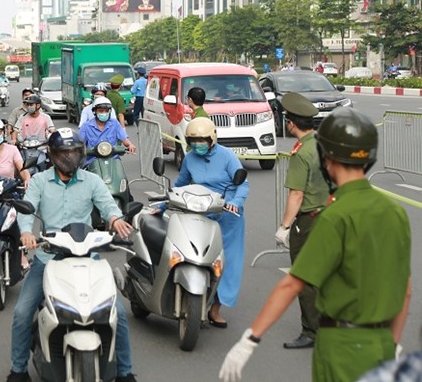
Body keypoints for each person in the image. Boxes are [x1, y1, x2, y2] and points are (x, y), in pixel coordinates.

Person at [219, 108, 412, 382]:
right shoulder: (395, 212)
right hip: (381, 344)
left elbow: (292, 283)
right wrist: (391, 344)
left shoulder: (334, 216)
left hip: (341, 348)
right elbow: (405, 290)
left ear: (328, 158)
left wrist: (250, 340)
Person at [7, 128, 137, 382]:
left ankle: (124, 371)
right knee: (22, 312)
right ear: (53, 155)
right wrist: (26, 233)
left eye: (74, 152)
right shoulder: (40, 181)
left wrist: (116, 220)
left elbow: (108, 206)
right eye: (64, 152)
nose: (70, 157)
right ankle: (18, 370)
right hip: (48, 258)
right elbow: (26, 210)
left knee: (117, 314)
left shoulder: (92, 181)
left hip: (88, 258)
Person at [175, 117, 249, 328]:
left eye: (202, 140)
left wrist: (235, 202)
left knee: (226, 263)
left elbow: (242, 184)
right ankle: (193, 298)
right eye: (193, 140)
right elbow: (180, 184)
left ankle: (216, 309)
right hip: (200, 214)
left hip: (227, 216)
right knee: (193, 254)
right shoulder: (189, 158)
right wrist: (164, 203)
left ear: (212, 139)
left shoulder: (227, 157)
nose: (197, 144)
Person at [271, 92, 330, 349]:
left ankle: (311, 332)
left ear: (291, 123)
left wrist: (284, 227)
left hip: (308, 222)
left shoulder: (302, 152)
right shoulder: (324, 146)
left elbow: (296, 194)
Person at [78, 97, 136, 166]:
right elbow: (79, 145)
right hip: (92, 163)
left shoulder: (115, 123)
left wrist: (130, 145)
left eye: (106, 111)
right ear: (95, 112)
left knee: (121, 176)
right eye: (101, 111)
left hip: (113, 161)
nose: (104, 113)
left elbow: (125, 139)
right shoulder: (86, 126)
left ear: (110, 111)